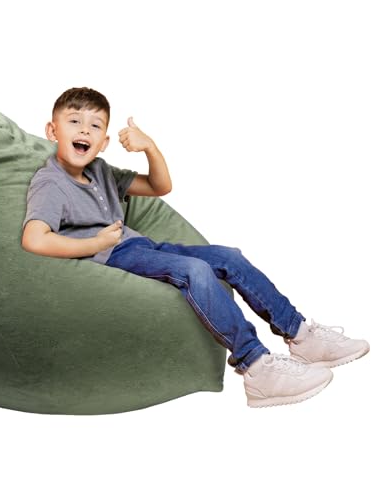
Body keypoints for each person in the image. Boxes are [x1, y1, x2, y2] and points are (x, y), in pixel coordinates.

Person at [21, 87, 370, 408]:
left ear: (104, 142)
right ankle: (257, 367)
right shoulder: (50, 183)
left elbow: (159, 186)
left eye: (95, 126)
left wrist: (150, 148)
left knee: (229, 257)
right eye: (74, 122)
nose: (84, 130)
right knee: (195, 270)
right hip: (111, 255)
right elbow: (34, 238)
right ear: (52, 131)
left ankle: (301, 335)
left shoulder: (99, 170)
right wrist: (96, 242)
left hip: (141, 245)